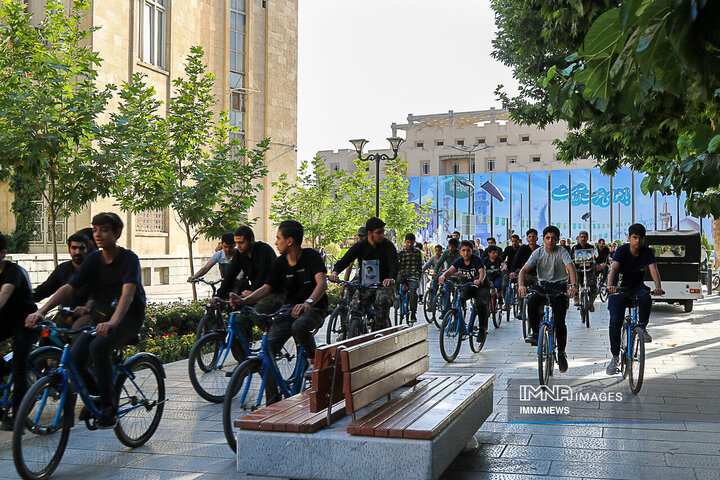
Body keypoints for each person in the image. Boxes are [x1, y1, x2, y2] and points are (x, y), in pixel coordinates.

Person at [27, 212, 147, 429]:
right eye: (95, 229)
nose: (98, 234)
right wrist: (42, 311)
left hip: (127, 317)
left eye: (104, 229)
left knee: (99, 348)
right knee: (75, 357)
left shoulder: (129, 259)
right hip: (100, 316)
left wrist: (113, 323)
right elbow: (69, 287)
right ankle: (99, 396)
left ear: (117, 233)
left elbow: (127, 294)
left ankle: (109, 409)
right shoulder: (93, 259)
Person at [230, 220, 328, 364]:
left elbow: (322, 283)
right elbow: (266, 288)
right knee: (266, 355)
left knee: (298, 327)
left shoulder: (311, 256)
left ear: (289, 241)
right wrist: (244, 300)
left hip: (314, 308)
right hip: (289, 310)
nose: (276, 243)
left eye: (278, 238)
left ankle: (314, 360)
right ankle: (273, 386)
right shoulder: (279, 263)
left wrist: (308, 303)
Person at [605, 224, 664, 375]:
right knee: (615, 321)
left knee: (646, 297)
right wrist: (611, 285)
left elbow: (653, 269)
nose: (638, 241)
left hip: (637, 286)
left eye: (640, 238)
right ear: (629, 237)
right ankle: (615, 357)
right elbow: (614, 269)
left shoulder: (647, 252)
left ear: (644, 239)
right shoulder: (621, 250)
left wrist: (658, 286)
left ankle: (642, 328)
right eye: (635, 237)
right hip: (619, 288)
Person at [519, 226, 578, 373]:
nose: (550, 241)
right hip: (543, 286)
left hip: (560, 287)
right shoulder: (538, 253)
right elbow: (523, 270)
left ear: (558, 240)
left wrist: (573, 286)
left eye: (553, 238)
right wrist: (521, 285)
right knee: (531, 303)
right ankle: (536, 333)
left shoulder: (562, 252)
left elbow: (571, 268)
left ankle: (561, 353)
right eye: (547, 238)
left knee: (559, 321)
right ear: (543, 239)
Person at [330, 217, 398, 330]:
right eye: (378, 233)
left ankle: (381, 331)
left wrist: (391, 278)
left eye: (382, 232)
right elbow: (346, 259)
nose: (382, 235)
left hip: (382, 286)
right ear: (369, 233)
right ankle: (349, 330)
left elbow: (394, 263)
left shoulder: (388, 246)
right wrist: (335, 272)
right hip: (365, 286)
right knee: (354, 306)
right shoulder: (361, 246)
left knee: (382, 300)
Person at [0, 234, 38, 430]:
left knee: (19, 367)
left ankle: (18, 417)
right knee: (8, 367)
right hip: (5, 321)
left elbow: (4, 294)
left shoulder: (12, 272)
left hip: (26, 322)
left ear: (3, 254)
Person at [33, 233, 92, 328]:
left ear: (87, 249)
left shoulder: (94, 269)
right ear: (69, 249)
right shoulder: (63, 269)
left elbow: (95, 296)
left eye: (81, 248)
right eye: (74, 248)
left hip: (86, 316)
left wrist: (87, 308)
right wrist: (26, 296)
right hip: (64, 316)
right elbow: (45, 289)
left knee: (77, 338)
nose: (77, 252)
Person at [439, 240, 489, 334]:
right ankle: (460, 325)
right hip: (467, 285)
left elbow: (482, 272)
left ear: (472, 251)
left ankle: (482, 329)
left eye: (468, 250)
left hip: (480, 286)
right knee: (459, 300)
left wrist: (480, 280)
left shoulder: (476, 260)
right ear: (460, 252)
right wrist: (443, 276)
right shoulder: (459, 261)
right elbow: (450, 271)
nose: (466, 253)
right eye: (464, 250)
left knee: (481, 304)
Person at [216, 226, 277, 300]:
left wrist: (252, 291)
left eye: (241, 242)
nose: (238, 246)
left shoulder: (264, 250)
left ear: (252, 240)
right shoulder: (239, 253)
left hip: (273, 292)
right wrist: (218, 296)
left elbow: (263, 274)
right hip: (255, 291)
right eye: (236, 243)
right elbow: (230, 275)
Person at [397, 233, 423, 323]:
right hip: (402, 273)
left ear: (414, 243)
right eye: (408, 242)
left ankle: (413, 312)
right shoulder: (401, 253)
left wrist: (418, 276)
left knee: (413, 291)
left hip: (413, 274)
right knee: (395, 283)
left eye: (411, 243)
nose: (409, 245)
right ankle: (396, 300)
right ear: (405, 242)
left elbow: (420, 266)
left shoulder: (417, 253)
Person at [571, 230, 597, 311]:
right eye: (581, 237)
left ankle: (591, 302)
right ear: (579, 238)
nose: (583, 238)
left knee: (593, 286)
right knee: (575, 283)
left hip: (589, 270)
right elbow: (571, 259)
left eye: (585, 237)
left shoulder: (591, 247)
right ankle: (576, 298)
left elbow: (595, 258)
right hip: (577, 269)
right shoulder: (575, 248)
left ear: (587, 238)